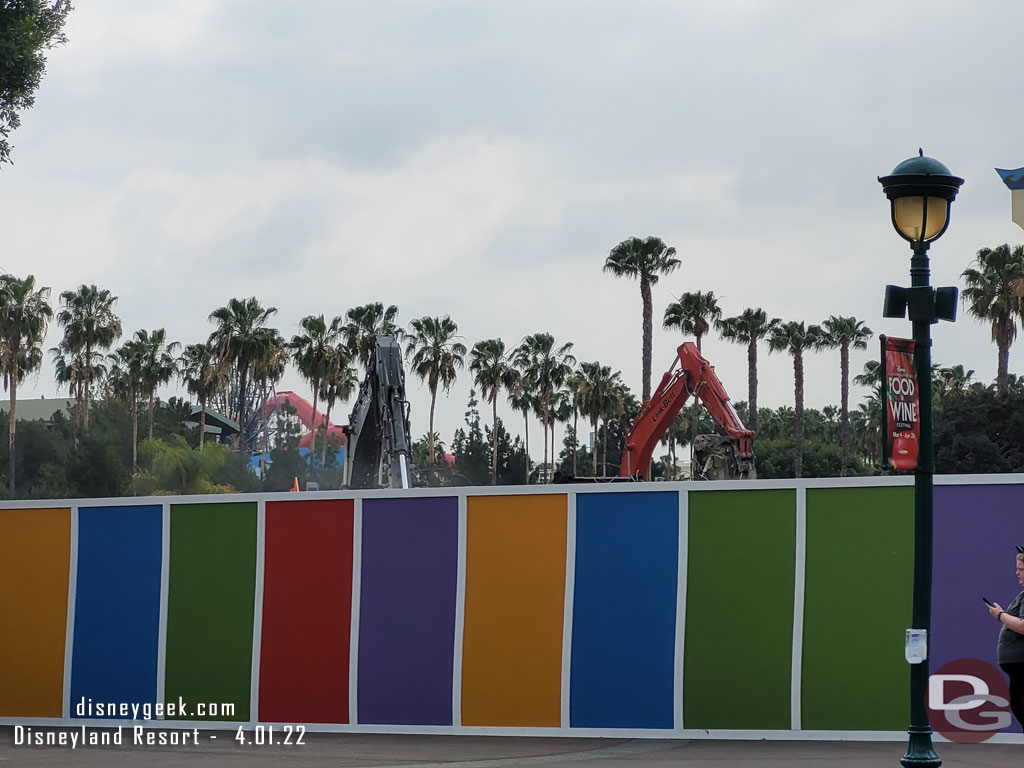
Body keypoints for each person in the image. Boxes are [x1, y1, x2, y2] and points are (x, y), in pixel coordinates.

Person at [986, 547, 1024, 727]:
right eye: (1017, 569)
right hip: (1017, 667)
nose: (1017, 573)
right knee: (1018, 704)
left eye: (1022, 569)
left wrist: (1000, 614)